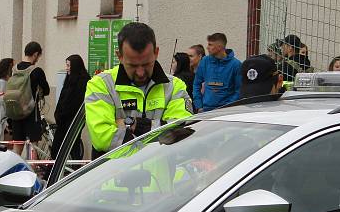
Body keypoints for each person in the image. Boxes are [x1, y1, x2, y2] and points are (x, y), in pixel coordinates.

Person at [85, 22, 191, 157]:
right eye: (133, 65)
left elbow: (181, 132)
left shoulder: (174, 86)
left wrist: (133, 124)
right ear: (120, 56)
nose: (140, 73)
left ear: (156, 52)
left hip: (162, 178)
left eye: (146, 64)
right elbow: (103, 137)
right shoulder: (101, 85)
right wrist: (159, 132)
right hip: (116, 177)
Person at [9, 41, 50, 156]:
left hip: (16, 112)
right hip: (31, 112)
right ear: (36, 54)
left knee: (17, 147)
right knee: (33, 146)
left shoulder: (14, 69)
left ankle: (15, 170)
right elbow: (46, 90)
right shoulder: (37, 71)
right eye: (38, 56)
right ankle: (32, 170)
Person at [192, 32, 242, 112]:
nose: (207, 47)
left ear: (219, 47)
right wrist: (199, 105)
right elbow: (196, 84)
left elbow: (239, 90)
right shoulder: (205, 61)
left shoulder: (236, 65)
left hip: (226, 112)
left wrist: (228, 107)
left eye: (210, 45)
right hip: (205, 110)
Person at [51, 54, 89, 160]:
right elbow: (62, 99)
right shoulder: (69, 79)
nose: (67, 68)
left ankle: (75, 169)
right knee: (58, 148)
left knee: (72, 146)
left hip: (73, 120)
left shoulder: (83, 81)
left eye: (68, 66)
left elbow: (76, 102)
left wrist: (62, 114)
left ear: (75, 66)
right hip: (63, 120)